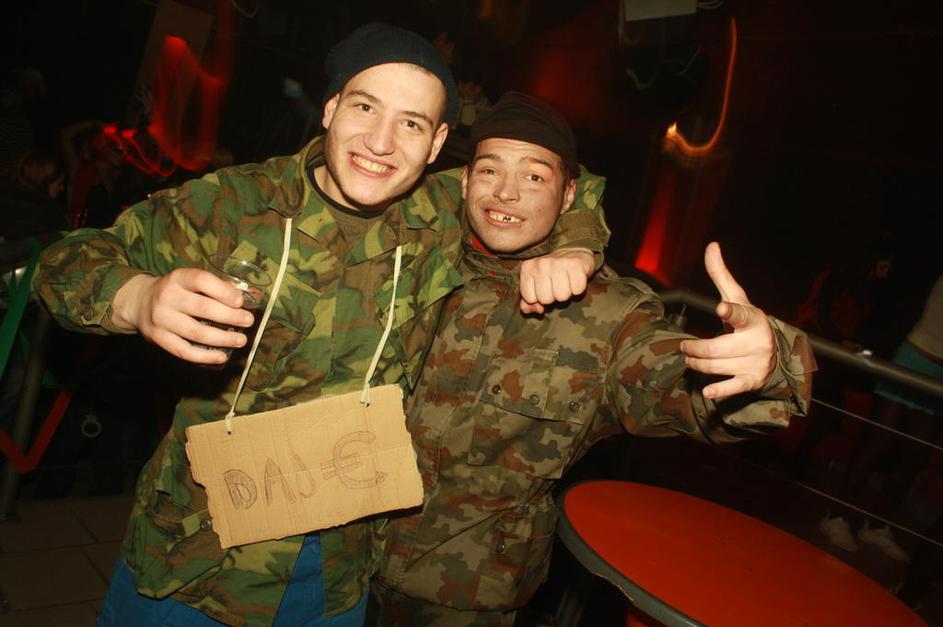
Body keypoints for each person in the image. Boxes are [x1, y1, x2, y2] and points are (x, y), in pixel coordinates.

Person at [33, 24, 608, 627]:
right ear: (331, 108)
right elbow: (63, 263)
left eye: (411, 123)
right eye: (365, 107)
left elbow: (576, 183)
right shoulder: (234, 205)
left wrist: (576, 247)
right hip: (200, 561)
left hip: (339, 571)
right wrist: (137, 297)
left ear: (438, 143)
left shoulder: (441, 212)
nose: (381, 142)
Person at [370, 92, 815, 626]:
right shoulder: (414, 257)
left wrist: (764, 367)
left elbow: (678, 386)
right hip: (343, 560)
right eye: (489, 169)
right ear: (464, 181)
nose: (506, 191)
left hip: (465, 596)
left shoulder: (609, 313)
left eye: (534, 176)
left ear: (568, 196)